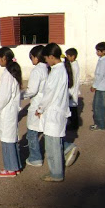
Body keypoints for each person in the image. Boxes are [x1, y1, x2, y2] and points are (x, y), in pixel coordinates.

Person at [35, 43, 78, 182]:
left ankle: (56, 173)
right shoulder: (61, 70)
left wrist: (40, 108)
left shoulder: (56, 72)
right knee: (55, 141)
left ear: (52, 57)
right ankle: (68, 148)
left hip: (54, 112)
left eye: (46, 58)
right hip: (58, 111)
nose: (46, 61)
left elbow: (49, 94)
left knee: (52, 146)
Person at [0, 47, 22, 178]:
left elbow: (3, 96)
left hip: (6, 111)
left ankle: (10, 168)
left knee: (7, 140)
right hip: (11, 110)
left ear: (4, 58)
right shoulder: (12, 72)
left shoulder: (7, 74)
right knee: (11, 138)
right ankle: (16, 166)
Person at [21, 45, 48, 167]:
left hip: (37, 104)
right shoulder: (47, 68)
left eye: (31, 57)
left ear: (36, 57)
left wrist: (20, 95)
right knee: (47, 131)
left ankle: (35, 157)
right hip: (45, 103)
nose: (31, 60)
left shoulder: (37, 70)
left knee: (32, 132)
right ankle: (66, 147)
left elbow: (32, 90)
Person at [90, 42, 105, 131]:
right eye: (97, 51)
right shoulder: (101, 60)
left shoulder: (103, 62)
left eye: (99, 51)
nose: (97, 52)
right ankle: (97, 123)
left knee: (99, 106)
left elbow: (100, 75)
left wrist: (94, 86)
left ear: (104, 51)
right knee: (95, 105)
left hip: (101, 86)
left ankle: (101, 125)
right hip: (99, 86)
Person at [65, 48, 80, 130]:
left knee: (72, 110)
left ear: (73, 56)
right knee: (72, 109)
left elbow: (73, 81)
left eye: (68, 56)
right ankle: (73, 124)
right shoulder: (73, 65)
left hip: (72, 91)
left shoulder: (74, 67)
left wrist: (70, 93)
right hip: (72, 91)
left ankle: (74, 125)